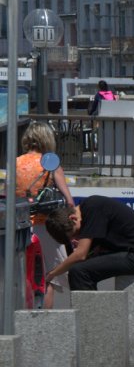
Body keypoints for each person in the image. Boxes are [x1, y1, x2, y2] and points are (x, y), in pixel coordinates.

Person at [44, 196, 134, 290]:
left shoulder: (92, 208)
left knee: (79, 272)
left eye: (76, 233)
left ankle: (89, 319)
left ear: (73, 218)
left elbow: (80, 255)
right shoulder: (91, 207)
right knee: (85, 266)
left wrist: (52, 274)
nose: (77, 237)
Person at [15, 121, 77, 309]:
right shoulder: (50, 163)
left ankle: (24, 317)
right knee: (48, 276)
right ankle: (44, 324)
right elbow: (69, 200)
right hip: (46, 228)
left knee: (26, 275)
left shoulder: (15, 163)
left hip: (21, 227)